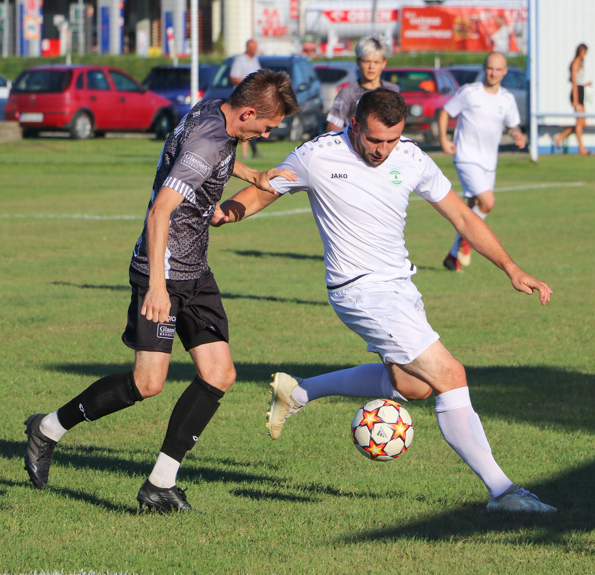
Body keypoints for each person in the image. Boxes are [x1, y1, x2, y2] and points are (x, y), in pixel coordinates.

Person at [213, 89, 557, 513]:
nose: (383, 150)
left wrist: (511, 267)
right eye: (375, 140)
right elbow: (264, 191)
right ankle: (503, 492)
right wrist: (221, 213)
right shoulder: (318, 155)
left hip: (400, 288)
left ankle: (299, 393)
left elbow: (464, 216)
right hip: (359, 291)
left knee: (411, 386)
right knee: (451, 373)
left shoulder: (410, 157)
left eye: (392, 140)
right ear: (354, 125)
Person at [23, 69, 300, 513]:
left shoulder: (216, 111)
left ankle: (160, 484)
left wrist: (251, 174)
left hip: (195, 271)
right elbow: (160, 212)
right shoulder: (207, 143)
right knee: (147, 383)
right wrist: (155, 287)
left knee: (219, 374)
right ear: (247, 112)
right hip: (163, 271)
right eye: (266, 127)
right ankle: (48, 429)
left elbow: (212, 159)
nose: (267, 133)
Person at [437, 51, 526, 273]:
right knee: (487, 202)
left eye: (498, 69)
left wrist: (517, 135)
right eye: (490, 68)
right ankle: (466, 243)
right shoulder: (470, 92)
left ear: (505, 72)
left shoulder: (507, 99)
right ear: (483, 68)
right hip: (466, 157)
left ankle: (452, 255)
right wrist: (444, 140)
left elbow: (512, 124)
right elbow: (445, 112)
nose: (493, 73)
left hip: (489, 162)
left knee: (472, 209)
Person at [324, 35, 400, 133]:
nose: (371, 66)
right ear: (358, 62)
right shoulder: (348, 93)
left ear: (384, 63)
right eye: (367, 61)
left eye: (376, 62)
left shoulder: (393, 91)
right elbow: (332, 129)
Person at [552, 43, 592, 155]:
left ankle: (560, 137)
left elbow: (578, 81)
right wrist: (575, 98)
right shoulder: (575, 63)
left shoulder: (581, 63)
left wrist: (585, 85)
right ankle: (581, 148)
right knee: (579, 122)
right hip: (576, 93)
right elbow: (574, 82)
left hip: (580, 91)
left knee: (582, 122)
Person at [230, 39, 262, 159]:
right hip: (242, 98)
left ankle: (246, 153)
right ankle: (242, 152)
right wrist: (248, 82)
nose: (255, 49)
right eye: (253, 47)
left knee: (248, 124)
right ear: (248, 47)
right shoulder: (240, 61)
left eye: (256, 47)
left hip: (253, 98)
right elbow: (233, 78)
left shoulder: (255, 60)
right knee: (242, 124)